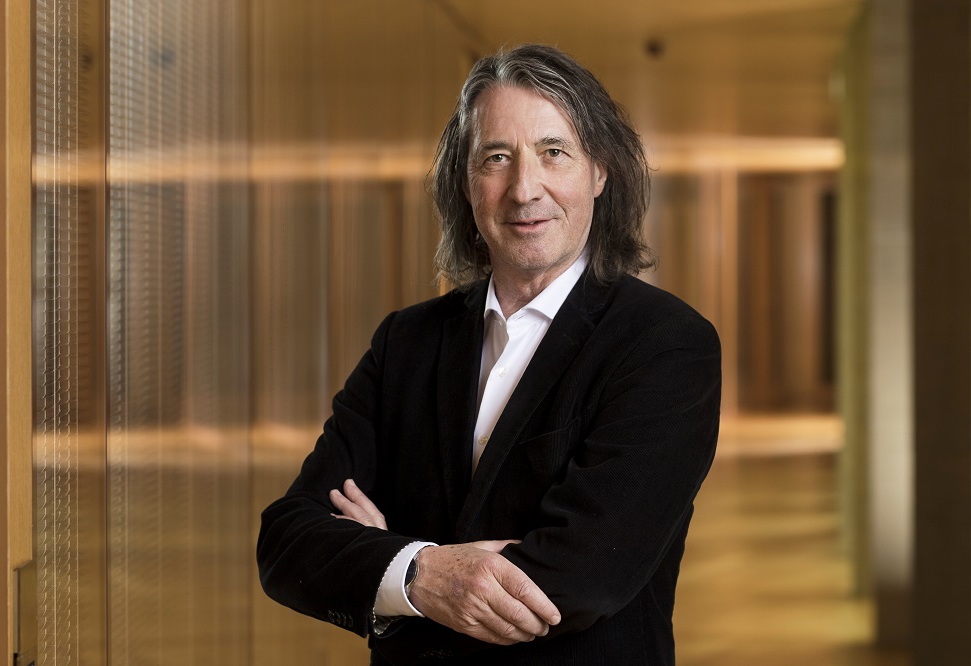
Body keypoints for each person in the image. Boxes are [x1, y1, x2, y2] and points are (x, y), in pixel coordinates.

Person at [257, 43, 721, 665]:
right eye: (496, 157)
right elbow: (288, 541)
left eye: (554, 152)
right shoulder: (405, 343)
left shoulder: (665, 344)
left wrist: (392, 571)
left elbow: (584, 577)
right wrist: (424, 572)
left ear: (599, 172)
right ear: (466, 182)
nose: (524, 189)